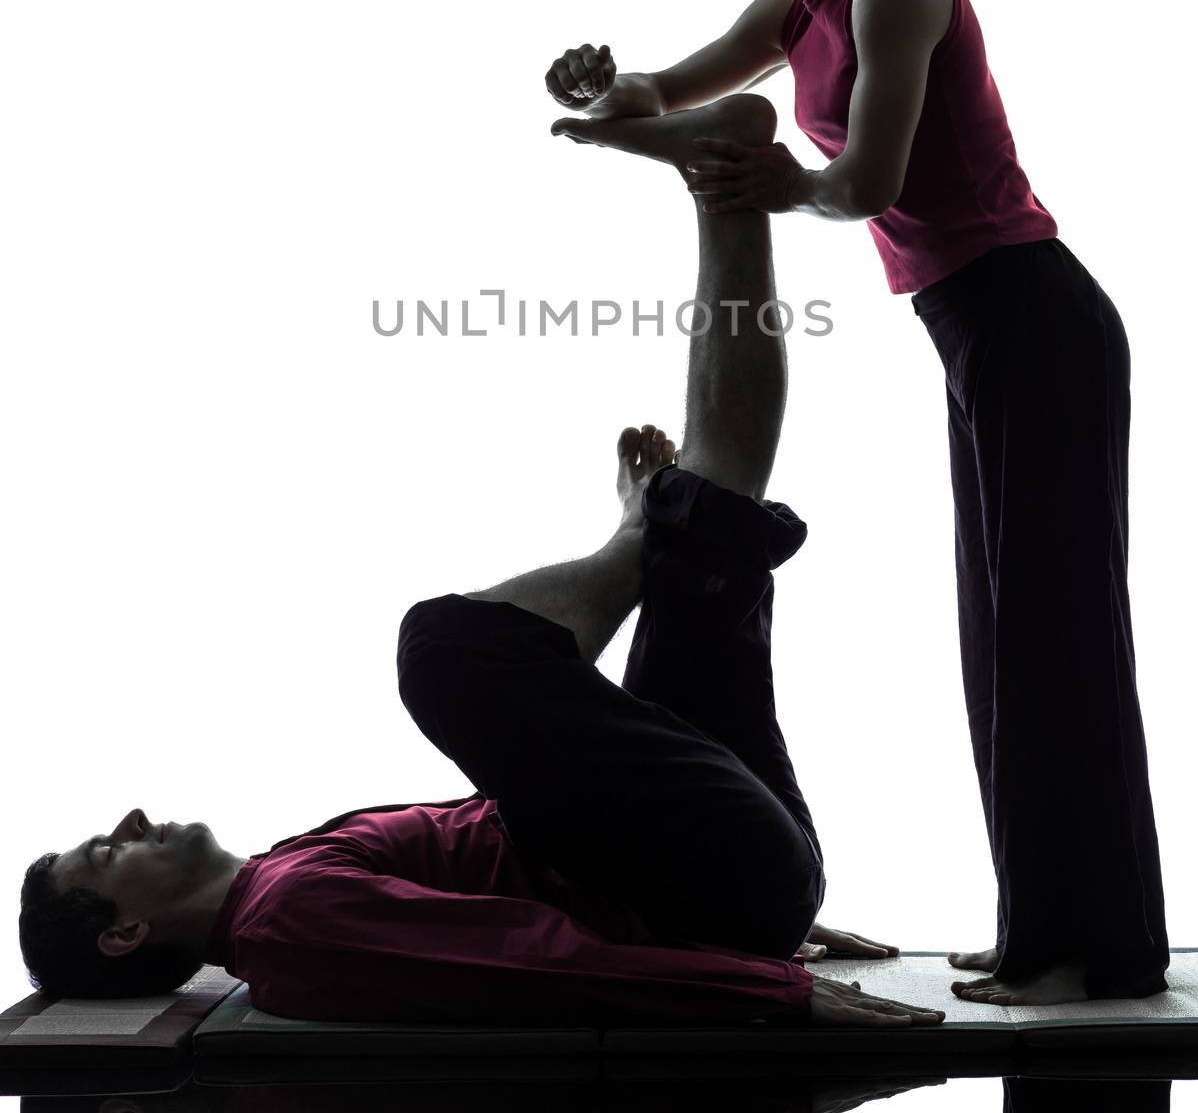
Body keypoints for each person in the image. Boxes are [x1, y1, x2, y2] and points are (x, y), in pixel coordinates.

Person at [18, 140, 943, 1029]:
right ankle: (643, 525)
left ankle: (722, 188)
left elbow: (516, 858)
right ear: (124, 932)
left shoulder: (281, 882)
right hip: (709, 878)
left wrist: (751, 928)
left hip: (704, 874)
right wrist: (762, 988)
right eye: (108, 851)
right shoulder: (287, 926)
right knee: (443, 649)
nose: (131, 820)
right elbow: (528, 959)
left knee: (714, 524)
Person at [545, 0, 1169, 1007]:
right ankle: (1047, 921)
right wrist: (604, 86)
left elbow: (863, 182)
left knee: (1055, 637)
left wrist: (790, 186)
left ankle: (1093, 953)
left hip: (1032, 318)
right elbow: (665, 88)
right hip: (976, 331)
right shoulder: (803, 3)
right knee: (997, 633)